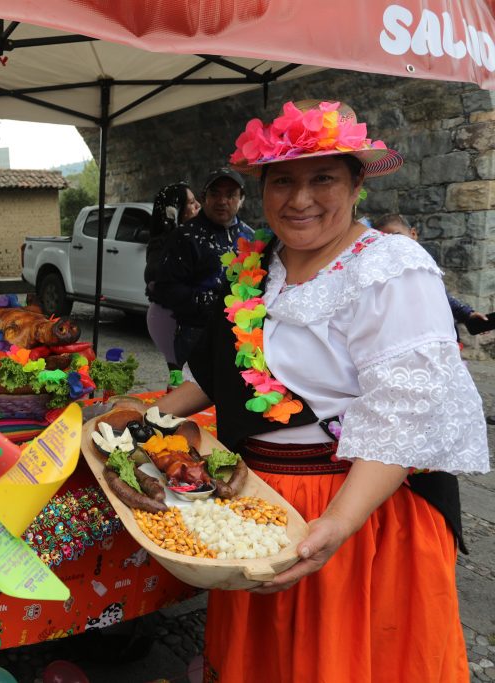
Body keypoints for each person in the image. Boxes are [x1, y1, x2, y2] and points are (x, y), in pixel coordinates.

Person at [156, 100, 489, 682]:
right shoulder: (257, 264)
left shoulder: (389, 268)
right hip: (259, 507)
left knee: (341, 659)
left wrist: (336, 525)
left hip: (355, 512)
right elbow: (216, 374)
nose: (300, 198)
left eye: (323, 178)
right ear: (262, 188)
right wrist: (133, 417)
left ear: (358, 182)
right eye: (282, 180)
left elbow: (404, 417)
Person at [151, 168, 252, 367]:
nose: (222, 201)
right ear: (204, 197)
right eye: (215, 194)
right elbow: (164, 288)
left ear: (241, 199)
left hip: (241, 335)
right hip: (196, 334)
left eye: (230, 195)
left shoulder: (250, 237)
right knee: (193, 395)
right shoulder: (185, 236)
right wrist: (211, 304)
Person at [374, 213, 493, 335]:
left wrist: (467, 314)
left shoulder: (422, 262)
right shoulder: (378, 273)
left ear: (413, 234)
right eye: (383, 240)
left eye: (396, 236)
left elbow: (441, 295)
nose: (392, 243)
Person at [143, 182, 201, 389]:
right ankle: (173, 417)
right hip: (170, 321)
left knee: (193, 379)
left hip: (187, 320)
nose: (198, 206)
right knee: (183, 379)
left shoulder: (195, 235)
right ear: (175, 211)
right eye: (192, 203)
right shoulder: (165, 243)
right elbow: (154, 276)